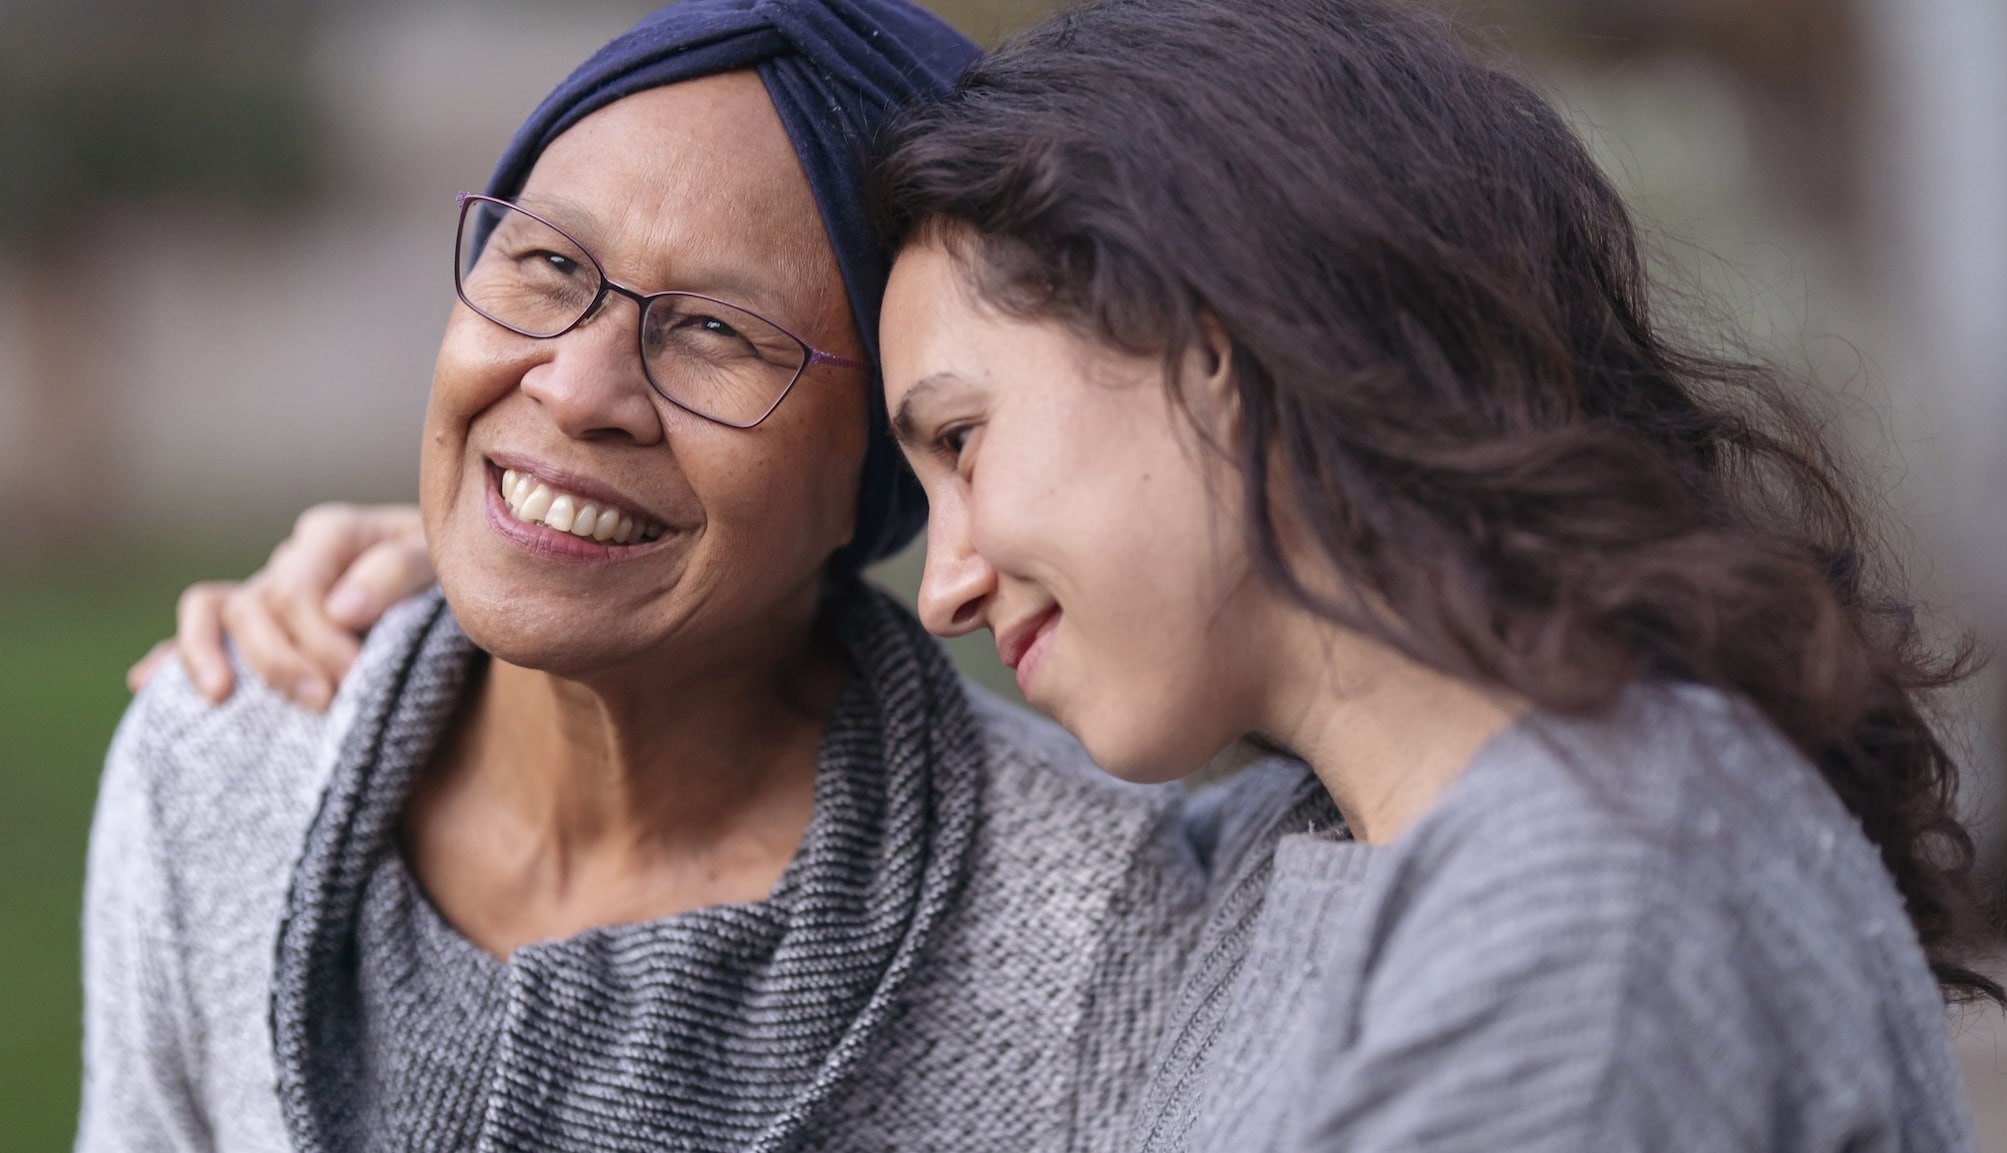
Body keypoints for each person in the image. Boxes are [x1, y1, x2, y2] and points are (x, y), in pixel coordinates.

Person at [178, 0, 2007, 1149]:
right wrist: (518, 562)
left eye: (959, 440)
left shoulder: (1579, 920)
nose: (949, 579)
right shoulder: (1368, 850)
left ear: (1219, 342)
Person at [81, 3, 1323, 1150]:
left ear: (875, 466)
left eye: (720, 332)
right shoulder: (218, 767)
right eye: (548, 266)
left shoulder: (1099, 932)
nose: (572, 387)